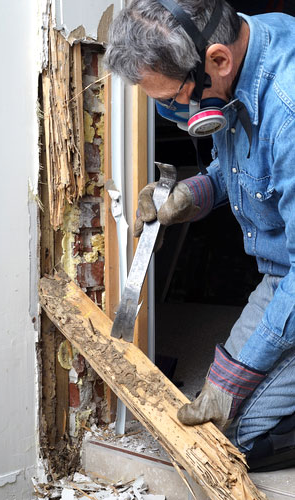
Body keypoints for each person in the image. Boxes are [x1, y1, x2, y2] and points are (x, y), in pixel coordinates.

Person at [104, 0, 295, 472]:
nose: (170, 112)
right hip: (282, 273)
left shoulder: (288, 112)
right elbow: (241, 169)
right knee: (213, 430)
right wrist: (192, 194)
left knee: (243, 440)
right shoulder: (234, 65)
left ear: (218, 60)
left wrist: (235, 379)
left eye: (173, 100)